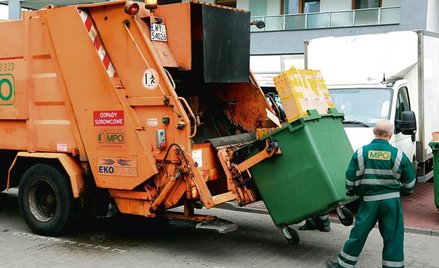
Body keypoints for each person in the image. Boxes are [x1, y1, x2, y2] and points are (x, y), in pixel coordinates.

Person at [326, 120, 416, 268]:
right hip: (391, 202)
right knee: (393, 236)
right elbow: (410, 183)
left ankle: (344, 265)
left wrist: (353, 191)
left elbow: (350, 178)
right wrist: (403, 191)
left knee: (358, 233)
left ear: (374, 132)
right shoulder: (398, 155)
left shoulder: (361, 152)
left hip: (369, 201)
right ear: (391, 134)